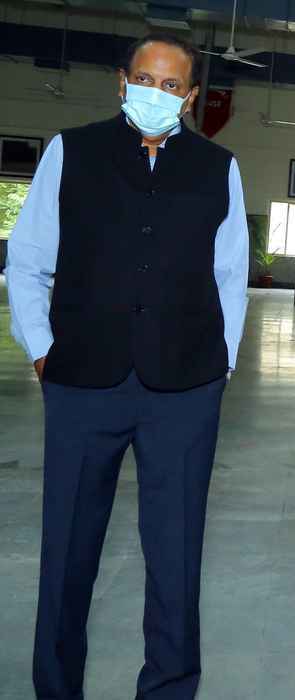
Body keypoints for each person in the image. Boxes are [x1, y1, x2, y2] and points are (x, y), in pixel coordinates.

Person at [5, 33, 249, 699]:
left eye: (171, 85)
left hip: (184, 389)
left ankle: (168, 688)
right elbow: (28, 260)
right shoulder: (71, 152)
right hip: (83, 382)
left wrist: (222, 365)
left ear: (190, 98)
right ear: (122, 82)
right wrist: (42, 348)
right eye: (145, 79)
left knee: (176, 556)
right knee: (67, 552)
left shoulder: (218, 167)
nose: (155, 93)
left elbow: (231, 274)